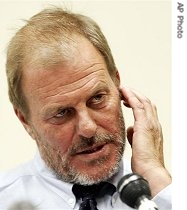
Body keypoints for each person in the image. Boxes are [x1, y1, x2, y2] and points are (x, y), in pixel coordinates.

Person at [0, 7, 171, 210]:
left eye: (97, 98)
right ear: (25, 120)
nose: (88, 128)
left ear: (116, 83)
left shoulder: (166, 192)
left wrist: (155, 179)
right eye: (62, 113)